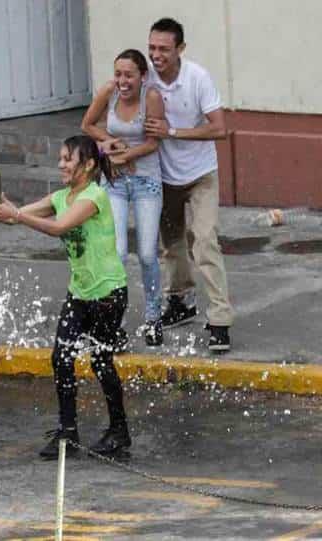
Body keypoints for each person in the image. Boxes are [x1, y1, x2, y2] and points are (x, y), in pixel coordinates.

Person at [0, 135, 131, 458]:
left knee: (100, 361)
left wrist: (18, 215)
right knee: (60, 358)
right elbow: (19, 214)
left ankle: (119, 432)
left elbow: (58, 227)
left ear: (89, 164)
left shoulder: (94, 197)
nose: (61, 164)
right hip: (79, 293)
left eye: (68, 159)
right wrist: (5, 208)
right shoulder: (62, 195)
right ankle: (68, 432)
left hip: (108, 294)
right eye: (61, 158)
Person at [143, 17, 233, 352]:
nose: (156, 55)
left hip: (200, 175)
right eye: (152, 47)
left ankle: (220, 321)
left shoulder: (197, 78)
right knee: (171, 246)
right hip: (163, 176)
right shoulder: (146, 77)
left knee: (205, 240)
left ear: (180, 49)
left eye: (164, 49)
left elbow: (219, 128)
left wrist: (174, 132)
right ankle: (180, 302)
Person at [82, 49, 166, 347]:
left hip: (146, 181)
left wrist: (127, 155)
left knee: (145, 254)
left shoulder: (151, 98)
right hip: (114, 182)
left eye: (129, 75)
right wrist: (108, 142)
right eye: (118, 74)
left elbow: (155, 141)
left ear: (142, 76)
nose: (122, 81)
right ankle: (112, 322)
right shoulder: (109, 91)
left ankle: (154, 317)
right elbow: (88, 125)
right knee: (116, 254)